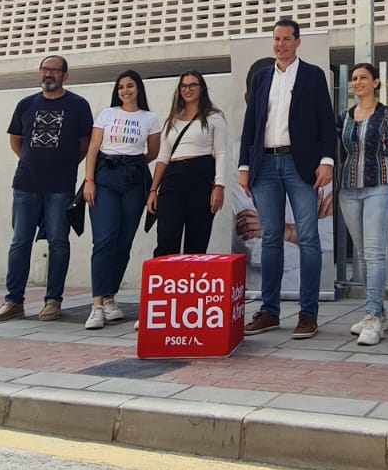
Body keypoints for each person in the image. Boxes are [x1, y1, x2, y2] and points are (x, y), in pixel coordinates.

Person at [237, 18, 336, 339]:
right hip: (264, 166)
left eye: (286, 39)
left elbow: (325, 121)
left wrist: (326, 161)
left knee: (308, 238)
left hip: (300, 164)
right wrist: (243, 166)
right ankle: (270, 311)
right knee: (270, 238)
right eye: (276, 39)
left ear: (297, 41)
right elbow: (251, 124)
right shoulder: (262, 78)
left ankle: (308, 314)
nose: (280, 44)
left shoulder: (312, 75)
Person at [0, 55, 93, 323]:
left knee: (58, 243)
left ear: (65, 76)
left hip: (60, 187)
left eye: (54, 71)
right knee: (20, 242)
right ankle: (13, 301)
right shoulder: (26, 105)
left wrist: (64, 165)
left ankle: (53, 301)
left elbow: (84, 144)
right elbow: (16, 140)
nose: (48, 74)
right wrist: (30, 161)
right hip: (25, 185)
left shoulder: (79, 106)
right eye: (45, 70)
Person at [336, 63, 388, 346]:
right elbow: (340, 154)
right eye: (354, 79)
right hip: (348, 190)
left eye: (363, 78)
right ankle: (377, 312)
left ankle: (372, 316)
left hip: (380, 187)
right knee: (364, 254)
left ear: (376, 82)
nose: (358, 83)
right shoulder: (344, 117)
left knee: (375, 252)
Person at [80, 69, 162, 330]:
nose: (125, 91)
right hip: (104, 179)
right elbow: (93, 148)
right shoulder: (107, 114)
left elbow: (153, 152)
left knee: (124, 240)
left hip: (133, 181)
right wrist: (89, 181)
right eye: (121, 87)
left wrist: (132, 163)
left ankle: (110, 297)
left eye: (130, 86)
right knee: (104, 239)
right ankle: (96, 305)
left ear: (138, 88)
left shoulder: (150, 118)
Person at [147, 71, 228, 256]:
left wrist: (220, 185)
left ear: (202, 88)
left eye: (193, 85)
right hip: (173, 177)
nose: (188, 89)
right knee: (166, 238)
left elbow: (221, 152)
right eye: (184, 86)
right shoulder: (172, 119)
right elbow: (163, 157)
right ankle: (166, 282)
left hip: (201, 175)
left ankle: (190, 283)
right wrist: (153, 190)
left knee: (197, 240)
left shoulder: (214, 117)